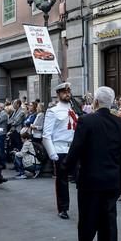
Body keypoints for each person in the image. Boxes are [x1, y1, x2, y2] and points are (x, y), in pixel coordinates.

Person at [65, 86, 121, 241]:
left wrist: (67, 168)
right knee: (109, 219)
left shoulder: (87, 121)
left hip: (90, 179)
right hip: (112, 178)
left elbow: (76, 148)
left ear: (95, 103)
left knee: (87, 218)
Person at [42, 82, 78, 220]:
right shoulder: (53, 111)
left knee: (81, 179)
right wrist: (52, 153)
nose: (67, 94)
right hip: (60, 149)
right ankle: (63, 208)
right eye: (64, 92)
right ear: (58, 94)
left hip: (75, 148)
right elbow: (46, 135)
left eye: (68, 91)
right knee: (62, 181)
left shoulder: (75, 109)